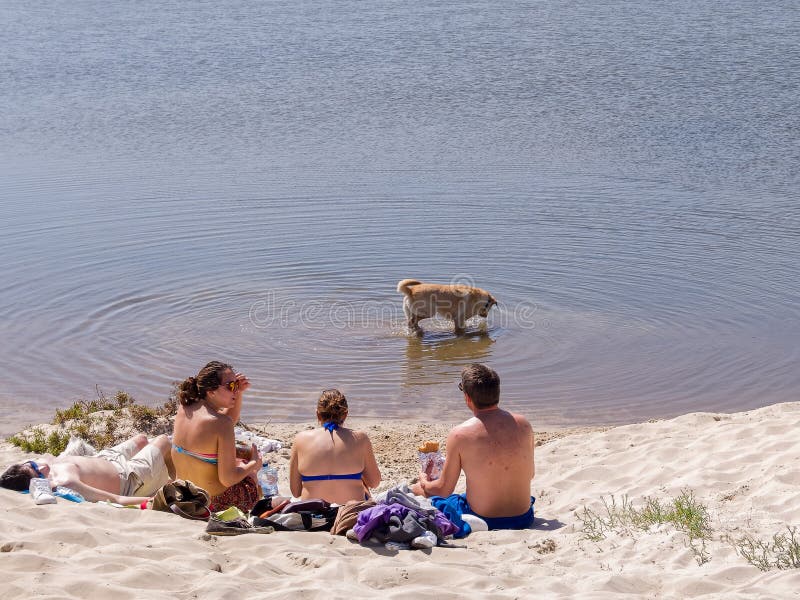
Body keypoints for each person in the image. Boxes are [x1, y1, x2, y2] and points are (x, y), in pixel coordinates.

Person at [411, 363, 535, 535]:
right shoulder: (524, 425)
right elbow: (531, 474)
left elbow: (443, 490)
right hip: (523, 517)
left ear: (467, 397)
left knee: (420, 491)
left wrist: (424, 482)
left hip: (483, 518)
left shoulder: (460, 435)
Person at [172, 361, 262, 512]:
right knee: (249, 472)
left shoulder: (185, 408)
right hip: (212, 503)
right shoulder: (221, 423)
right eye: (231, 386)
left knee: (237, 460)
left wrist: (238, 393)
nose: (235, 390)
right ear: (211, 391)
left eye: (236, 385)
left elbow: (224, 424)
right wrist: (253, 465)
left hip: (183, 493)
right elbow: (228, 479)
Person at [0, 434, 173, 505]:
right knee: (164, 440)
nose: (42, 466)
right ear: (38, 483)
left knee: (142, 439)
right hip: (129, 477)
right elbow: (117, 499)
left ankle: (164, 472)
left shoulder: (40, 465)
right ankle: (179, 480)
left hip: (105, 458)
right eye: (37, 471)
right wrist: (154, 501)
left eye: (32, 464)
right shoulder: (66, 481)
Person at [289, 389, 381, 504]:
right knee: (365, 488)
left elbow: (296, 491)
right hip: (351, 515)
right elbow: (374, 482)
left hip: (313, 517)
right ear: (346, 414)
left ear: (318, 414)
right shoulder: (361, 439)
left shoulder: (300, 439)